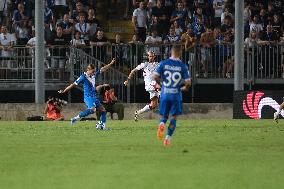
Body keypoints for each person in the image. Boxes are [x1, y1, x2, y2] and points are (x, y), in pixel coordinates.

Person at [58, 58, 116, 129]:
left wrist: (111, 63)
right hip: (88, 96)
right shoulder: (83, 77)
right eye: (92, 71)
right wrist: (64, 91)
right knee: (92, 110)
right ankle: (75, 118)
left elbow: (103, 69)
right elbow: (73, 84)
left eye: (94, 71)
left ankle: (102, 126)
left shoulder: (93, 74)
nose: (94, 73)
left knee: (103, 110)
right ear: (88, 70)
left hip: (94, 96)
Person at [153, 45, 191, 146]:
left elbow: (155, 76)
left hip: (165, 93)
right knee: (173, 117)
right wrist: (184, 88)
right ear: (180, 54)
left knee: (164, 115)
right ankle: (167, 139)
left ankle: (161, 124)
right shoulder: (183, 66)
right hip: (176, 95)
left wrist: (161, 84)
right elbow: (188, 83)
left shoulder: (163, 63)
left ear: (171, 52)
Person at [124, 51, 160, 121]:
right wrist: (128, 80)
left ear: (154, 57)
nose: (150, 57)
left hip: (154, 85)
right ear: (148, 57)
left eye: (152, 56)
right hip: (149, 84)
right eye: (149, 56)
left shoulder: (157, 64)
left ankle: (137, 112)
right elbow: (133, 71)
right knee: (160, 88)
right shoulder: (144, 64)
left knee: (153, 105)